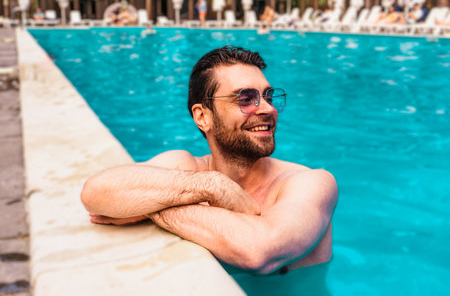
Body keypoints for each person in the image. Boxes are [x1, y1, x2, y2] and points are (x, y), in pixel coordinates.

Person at [81, 46, 338, 275]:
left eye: (268, 96)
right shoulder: (191, 169)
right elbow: (96, 193)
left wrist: (150, 208)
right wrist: (213, 186)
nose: (268, 108)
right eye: (246, 99)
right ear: (203, 116)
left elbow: (259, 252)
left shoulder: (310, 182)